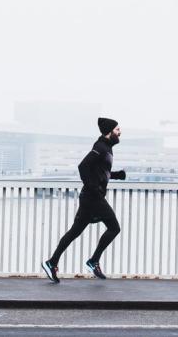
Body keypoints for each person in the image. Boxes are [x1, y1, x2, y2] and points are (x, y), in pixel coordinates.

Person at [42, 117, 126, 283]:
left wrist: (116, 175)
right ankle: (93, 261)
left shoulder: (107, 147)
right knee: (114, 227)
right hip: (92, 197)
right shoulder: (100, 147)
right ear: (109, 132)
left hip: (89, 198)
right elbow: (83, 166)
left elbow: (100, 170)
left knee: (74, 232)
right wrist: (93, 187)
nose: (120, 132)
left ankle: (52, 263)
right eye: (117, 130)